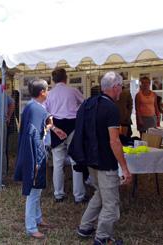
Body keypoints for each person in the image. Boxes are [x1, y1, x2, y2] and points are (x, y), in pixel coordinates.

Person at [76, 71, 132, 245]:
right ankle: (102, 237)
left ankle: (85, 227)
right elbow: (114, 141)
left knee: (100, 194)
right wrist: (124, 168)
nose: (121, 91)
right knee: (111, 203)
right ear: (115, 87)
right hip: (105, 162)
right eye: (120, 88)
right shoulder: (111, 108)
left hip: (90, 159)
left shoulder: (88, 103)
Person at [14, 79, 56, 239]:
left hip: (33, 151)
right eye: (47, 89)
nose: (48, 92)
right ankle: (31, 227)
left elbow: (37, 130)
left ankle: (38, 219)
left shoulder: (32, 107)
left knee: (37, 190)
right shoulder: (36, 109)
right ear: (42, 92)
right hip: (34, 153)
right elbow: (34, 136)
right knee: (33, 191)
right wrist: (38, 158)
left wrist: (47, 126)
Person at [44, 68, 87, 203]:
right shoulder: (73, 91)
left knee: (57, 162)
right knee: (76, 161)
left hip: (56, 126)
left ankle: (58, 194)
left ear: (53, 79)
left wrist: (54, 127)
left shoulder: (49, 94)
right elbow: (84, 104)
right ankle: (79, 196)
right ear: (66, 78)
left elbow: (46, 113)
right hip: (72, 125)